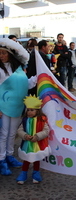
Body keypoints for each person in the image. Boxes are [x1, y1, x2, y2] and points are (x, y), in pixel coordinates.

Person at [0, 38, 36, 175]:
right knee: (3, 134)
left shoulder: (18, 69)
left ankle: (9, 156)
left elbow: (25, 85)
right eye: (0, 53)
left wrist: (40, 77)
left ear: (10, 54)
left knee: (12, 133)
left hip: (17, 106)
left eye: (4, 53)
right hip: (3, 107)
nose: (2, 55)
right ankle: (1, 160)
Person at [16, 95, 50, 184]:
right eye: (28, 110)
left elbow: (46, 131)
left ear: (37, 111)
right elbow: (19, 130)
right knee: (26, 159)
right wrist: (25, 136)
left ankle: (36, 173)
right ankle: (23, 174)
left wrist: (37, 136)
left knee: (36, 159)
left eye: (32, 110)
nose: (29, 112)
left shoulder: (42, 120)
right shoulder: (24, 120)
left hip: (37, 144)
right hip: (27, 144)